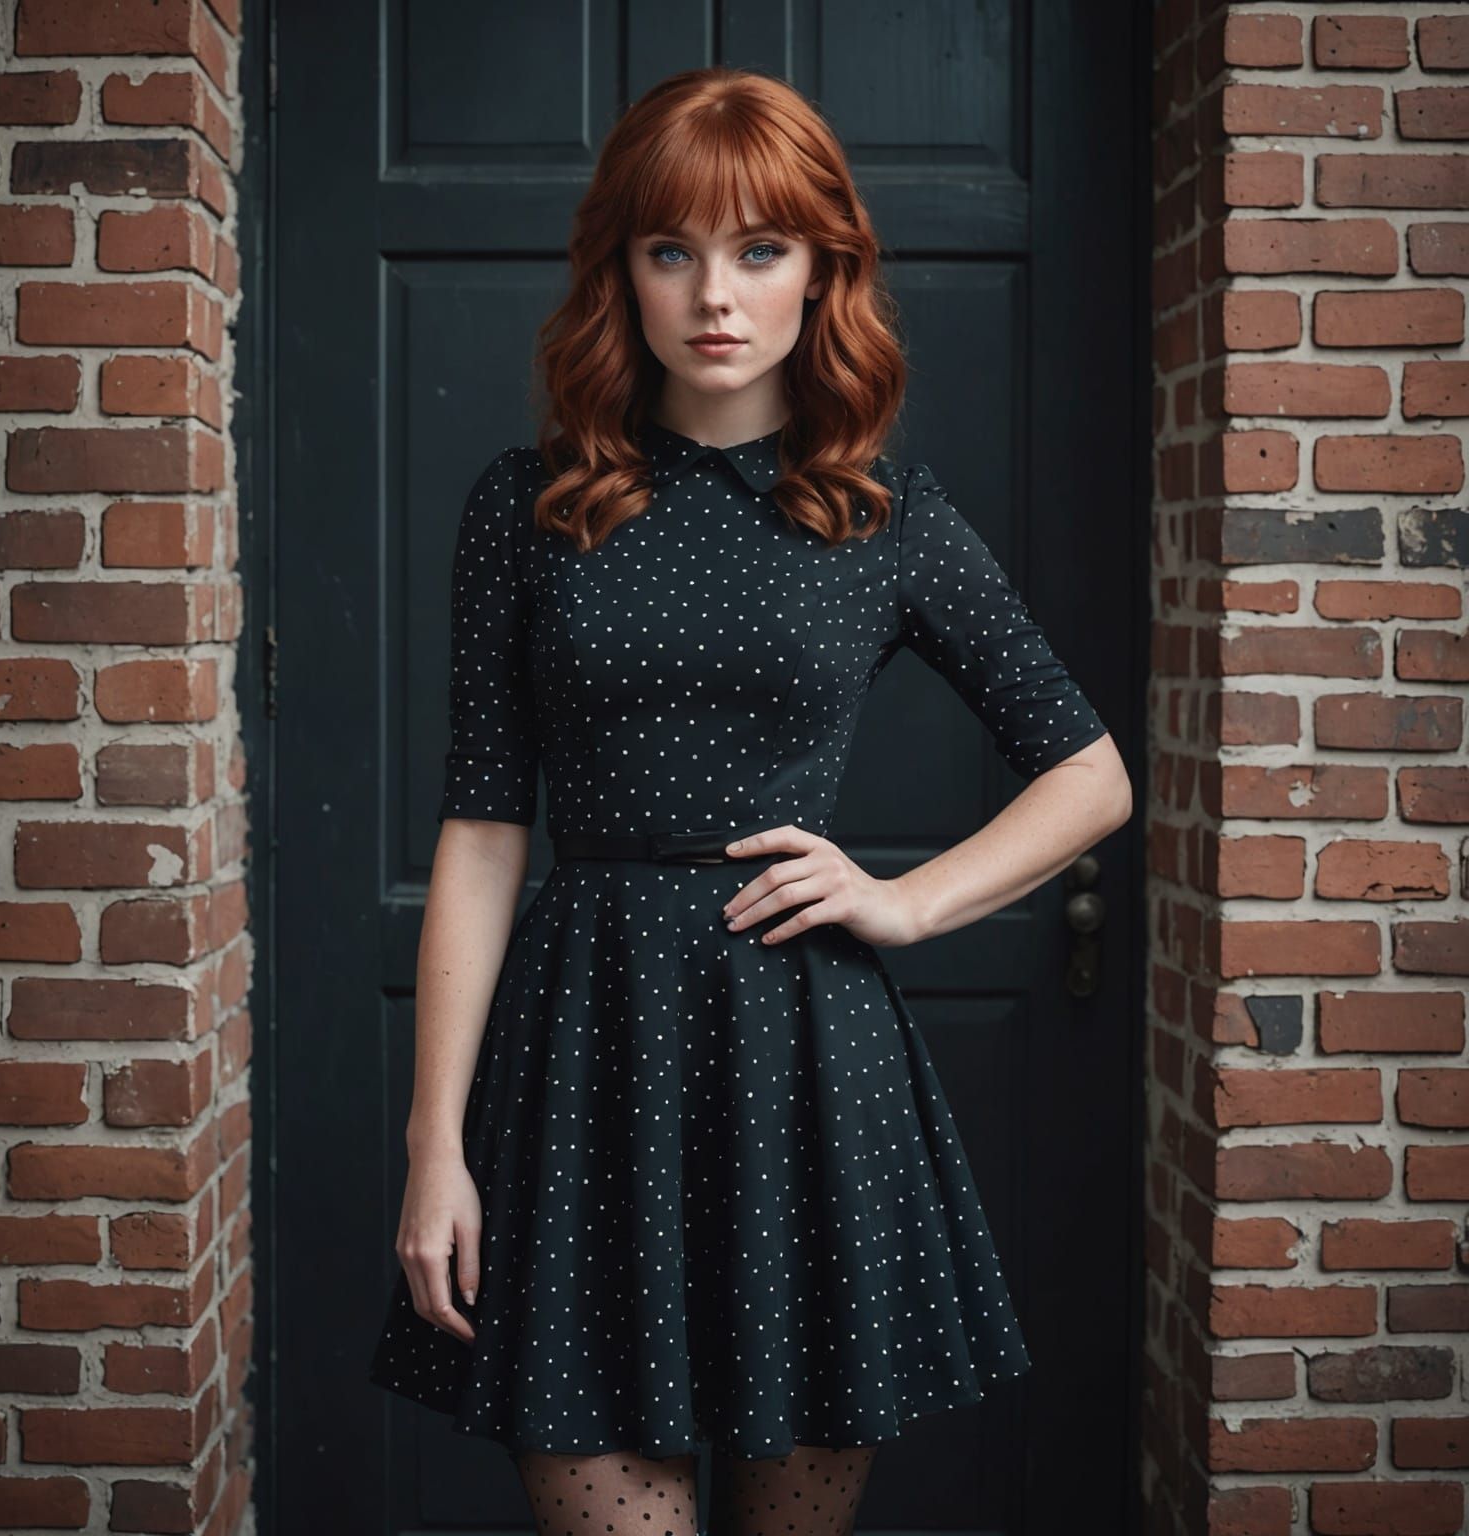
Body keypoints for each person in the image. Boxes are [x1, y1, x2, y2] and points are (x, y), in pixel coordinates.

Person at [369, 65, 1132, 1536]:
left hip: (808, 1071)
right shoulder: (526, 506)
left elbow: (1088, 771)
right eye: (673, 250)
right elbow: (480, 828)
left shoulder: (883, 518)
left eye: (760, 250)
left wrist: (906, 900)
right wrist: (433, 1145)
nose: (714, 294)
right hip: (582, 1062)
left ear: (821, 270)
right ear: (623, 271)